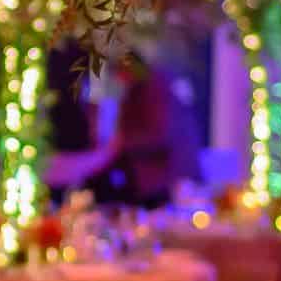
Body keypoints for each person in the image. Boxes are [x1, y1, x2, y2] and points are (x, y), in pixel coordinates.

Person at [84, 52, 200, 208]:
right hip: (146, 175)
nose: (119, 80)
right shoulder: (138, 90)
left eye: (120, 74)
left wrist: (121, 144)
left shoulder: (155, 87)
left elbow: (159, 133)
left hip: (162, 177)